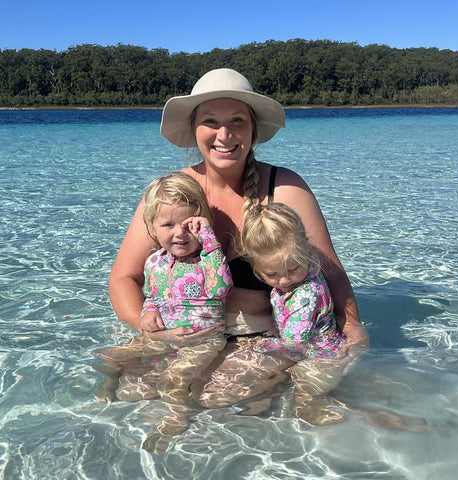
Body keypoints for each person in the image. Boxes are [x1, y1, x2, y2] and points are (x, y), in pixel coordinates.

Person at [108, 68, 368, 421]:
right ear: (194, 129)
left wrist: (352, 327)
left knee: (212, 400)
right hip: (183, 330)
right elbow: (124, 277)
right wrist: (151, 329)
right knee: (129, 393)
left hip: (259, 336)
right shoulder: (170, 195)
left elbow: (331, 270)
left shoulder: (284, 187)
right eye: (211, 121)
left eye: (237, 121)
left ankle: (317, 397)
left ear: (253, 129)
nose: (224, 134)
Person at [96, 172, 233, 441]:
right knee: (109, 356)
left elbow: (222, 288)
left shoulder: (207, 260)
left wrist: (209, 239)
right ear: (152, 227)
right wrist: (148, 313)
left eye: (188, 224)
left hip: (202, 340)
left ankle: (176, 419)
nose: (179, 233)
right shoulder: (155, 262)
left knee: (175, 378)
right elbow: (152, 295)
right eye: (168, 225)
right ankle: (109, 383)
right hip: (167, 337)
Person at [240, 202, 345, 360]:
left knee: (304, 383)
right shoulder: (308, 266)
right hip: (309, 347)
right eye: (271, 274)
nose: (284, 280)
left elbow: (294, 342)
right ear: (256, 268)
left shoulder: (306, 295)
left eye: (293, 269)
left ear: (305, 251)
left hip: (323, 356)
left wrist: (260, 345)